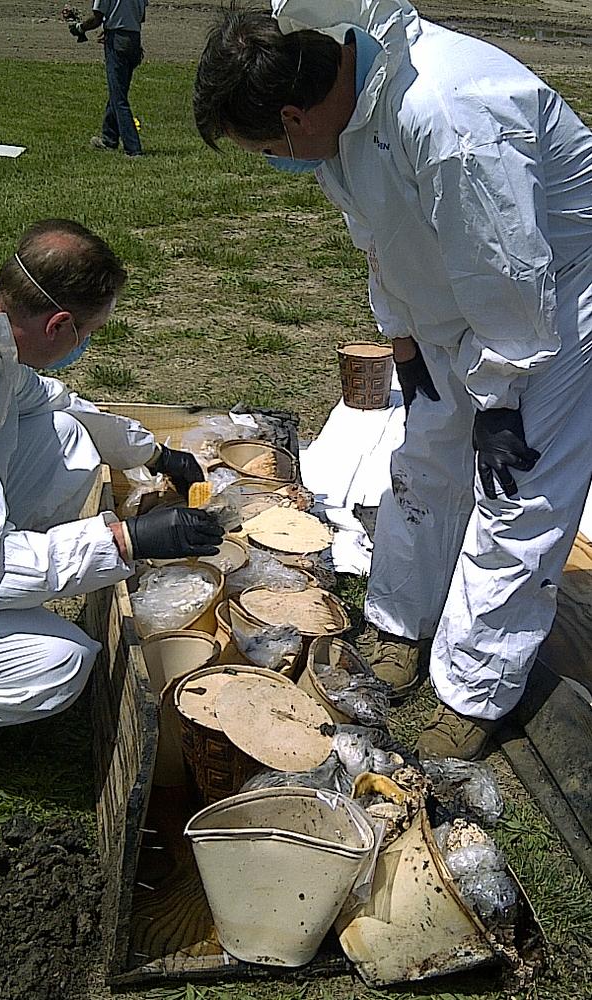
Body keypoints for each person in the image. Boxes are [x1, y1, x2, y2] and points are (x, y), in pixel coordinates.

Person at [193, 1, 592, 759]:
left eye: (268, 145)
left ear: (293, 115)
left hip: (557, 296)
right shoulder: (340, 104)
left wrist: (501, 396)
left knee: (517, 493)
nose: (277, 158)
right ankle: (403, 623)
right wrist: (402, 339)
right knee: (425, 458)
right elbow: (382, 236)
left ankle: (472, 691)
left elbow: (506, 267)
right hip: (464, 295)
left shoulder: (450, 116)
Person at [0, 219, 222, 728]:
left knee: (68, 436)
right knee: (58, 662)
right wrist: (122, 540)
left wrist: (153, 454)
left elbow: (58, 402)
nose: (83, 346)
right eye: (87, 334)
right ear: (58, 325)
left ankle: (19, 588)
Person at [63, 0, 146, 157]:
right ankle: (109, 138)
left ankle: (133, 148)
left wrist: (79, 27)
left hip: (117, 42)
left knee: (119, 98)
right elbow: (141, 17)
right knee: (118, 91)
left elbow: (97, 18)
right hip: (134, 38)